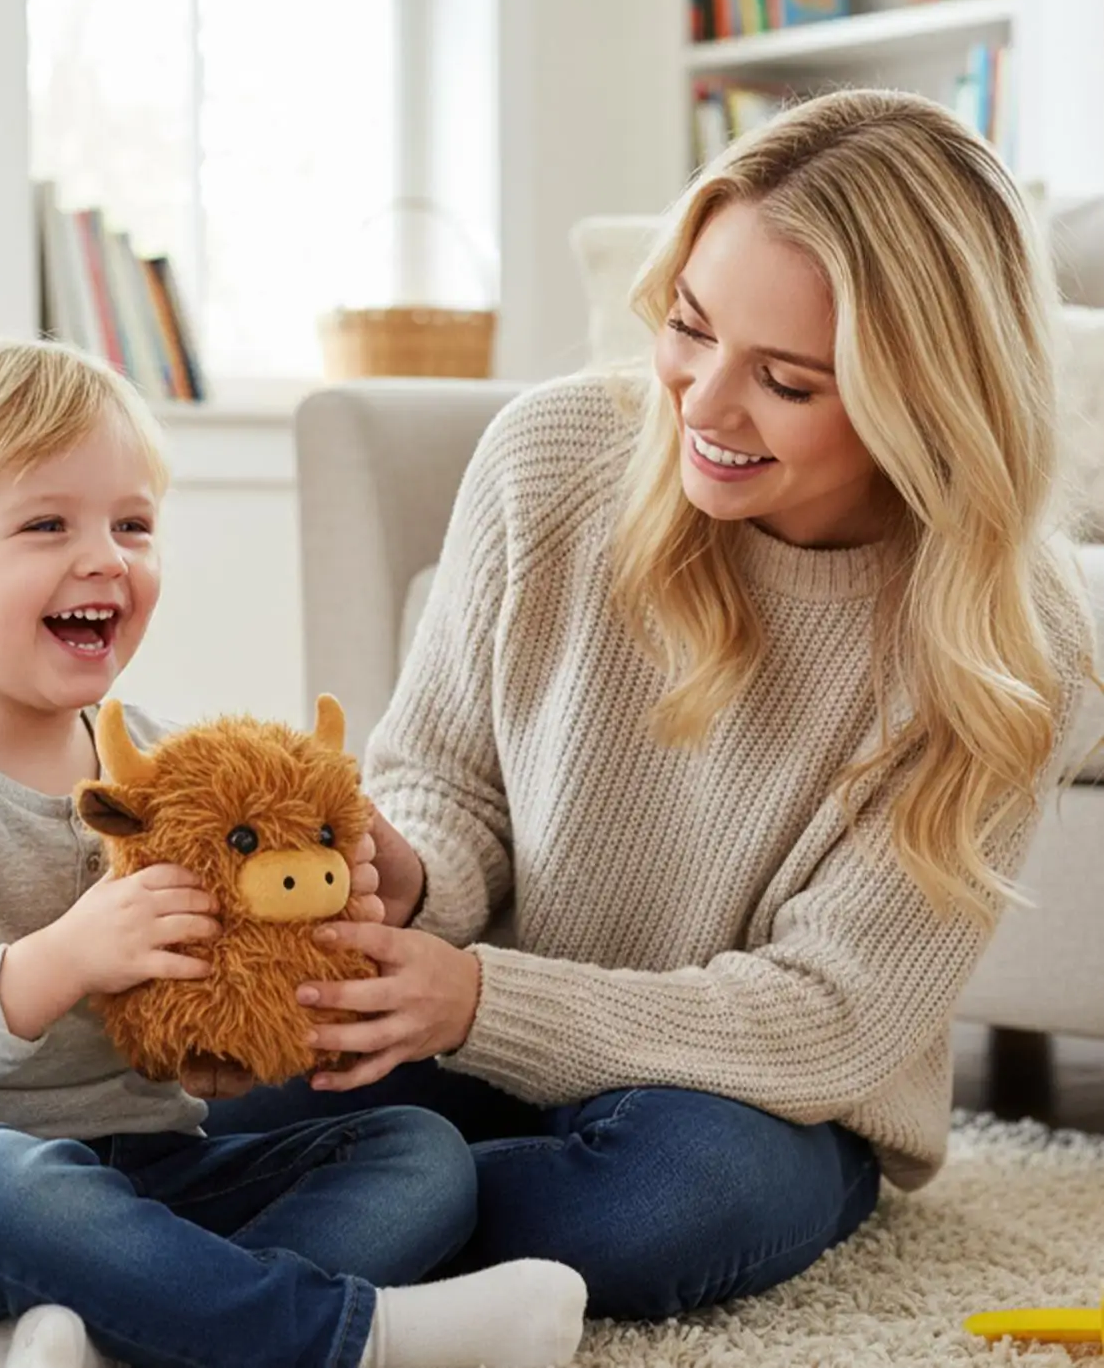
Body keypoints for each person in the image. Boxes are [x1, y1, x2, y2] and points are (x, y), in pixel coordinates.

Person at [204, 88, 1101, 1321]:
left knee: (655, 1208)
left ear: (922, 400)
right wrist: (404, 878)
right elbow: (445, 777)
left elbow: (828, 1014)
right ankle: (348, 1248)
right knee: (225, 1088)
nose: (702, 402)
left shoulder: (1012, 642)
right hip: (480, 1019)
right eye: (687, 325)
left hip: (751, 1090)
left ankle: (273, 1243)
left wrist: (479, 1000)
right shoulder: (549, 454)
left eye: (784, 380)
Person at [0, 340, 586, 1368]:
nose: (107, 558)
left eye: (131, 524)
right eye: (46, 524)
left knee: (417, 1153)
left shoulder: (169, 770)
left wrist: (244, 1029)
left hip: (147, 1174)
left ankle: (119, 1328)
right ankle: (352, 1337)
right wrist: (63, 958)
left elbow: (189, 1022)